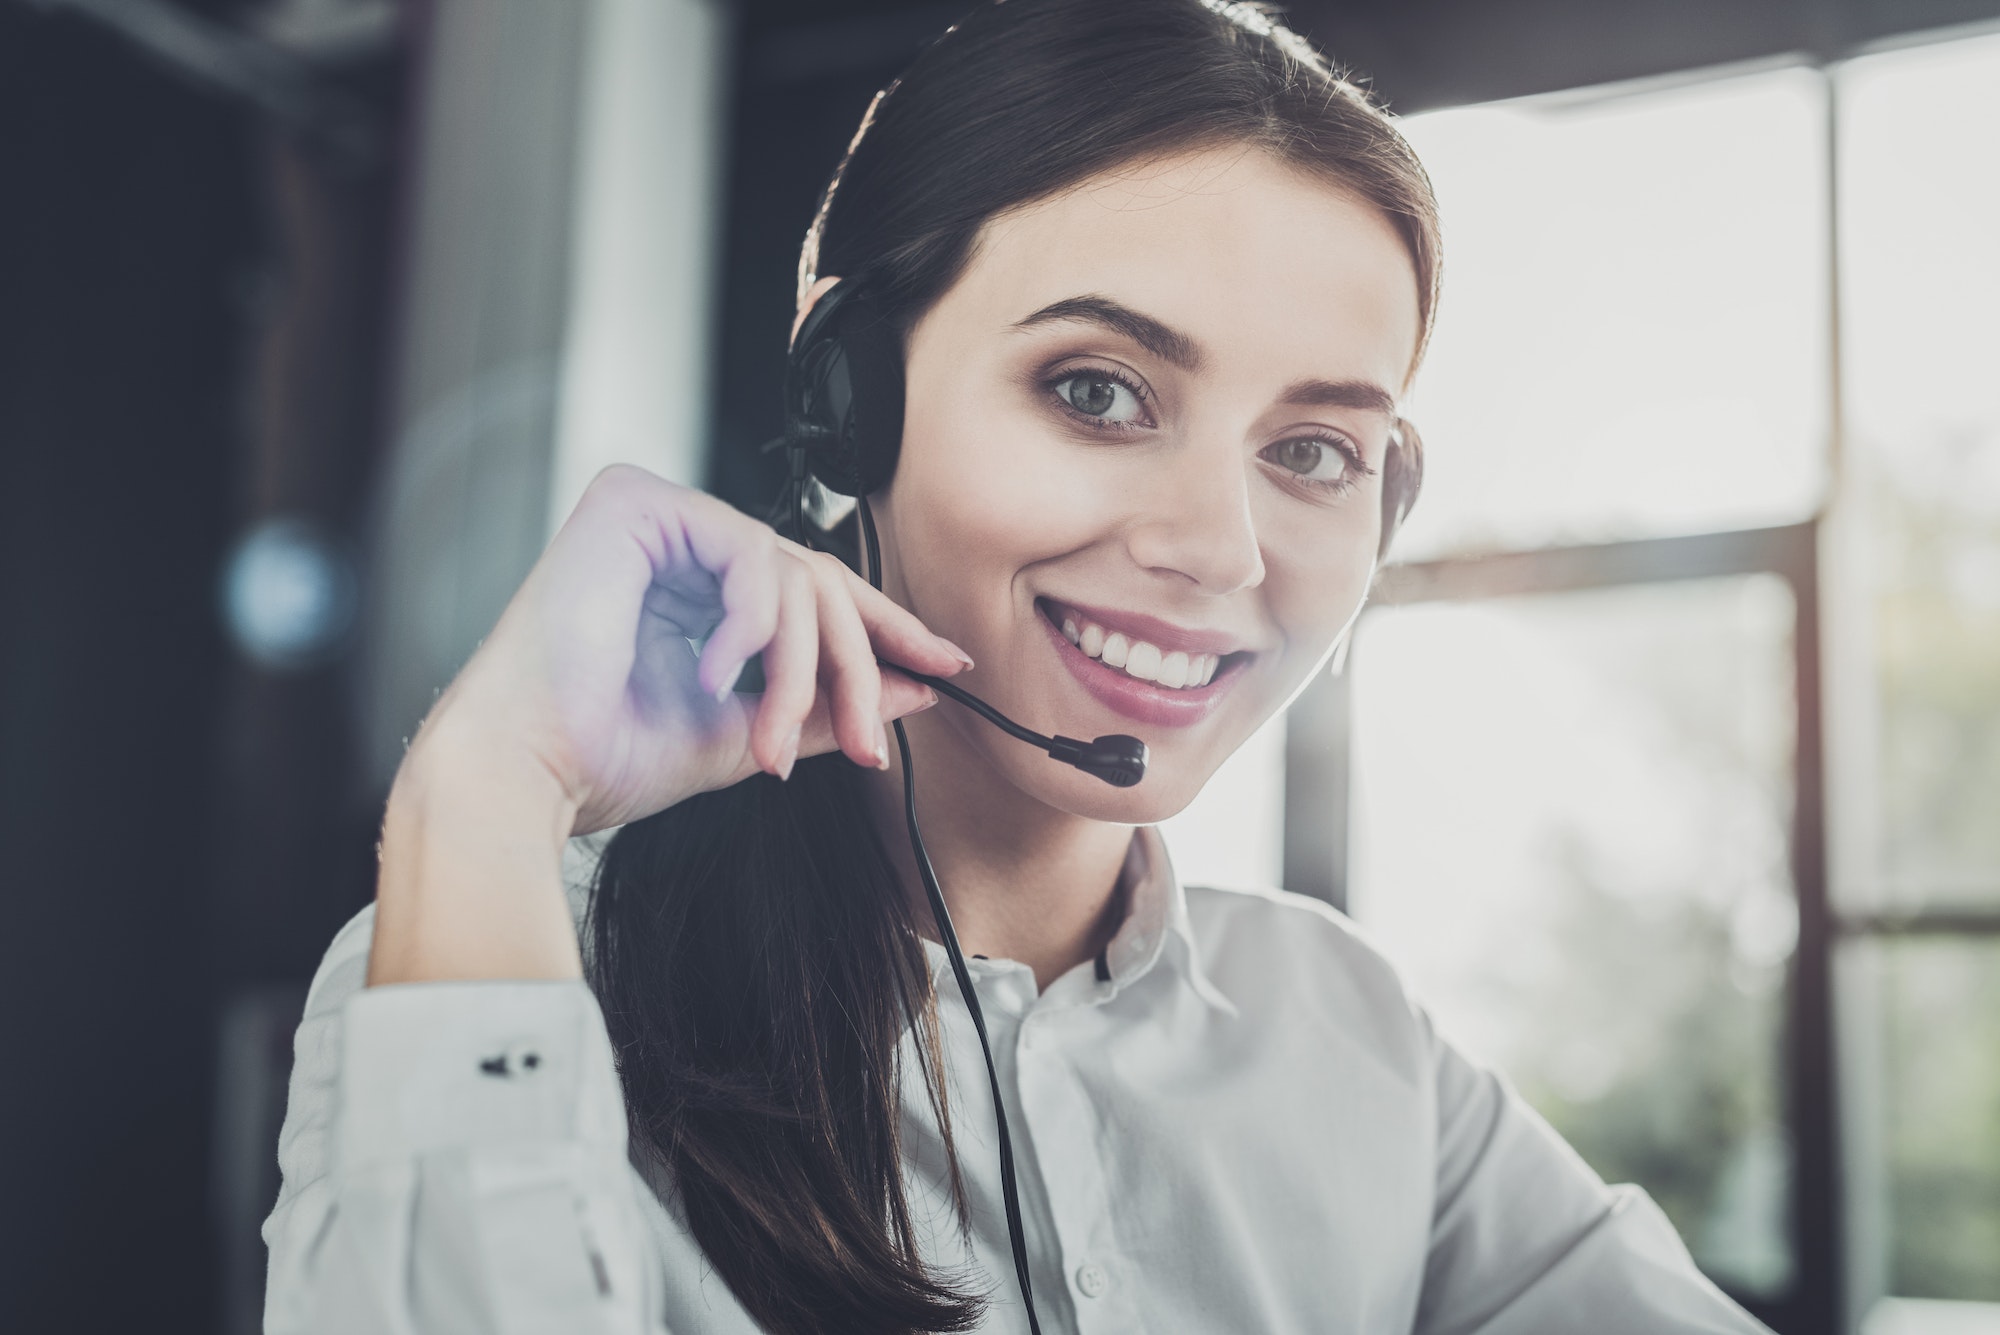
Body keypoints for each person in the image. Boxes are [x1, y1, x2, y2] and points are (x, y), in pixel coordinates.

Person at [262, 1, 1773, 1332]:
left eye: (1315, 450)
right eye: (1100, 391)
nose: (1222, 549)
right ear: (847, 395)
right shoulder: (495, 961)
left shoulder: (1348, 1037)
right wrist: (486, 778)